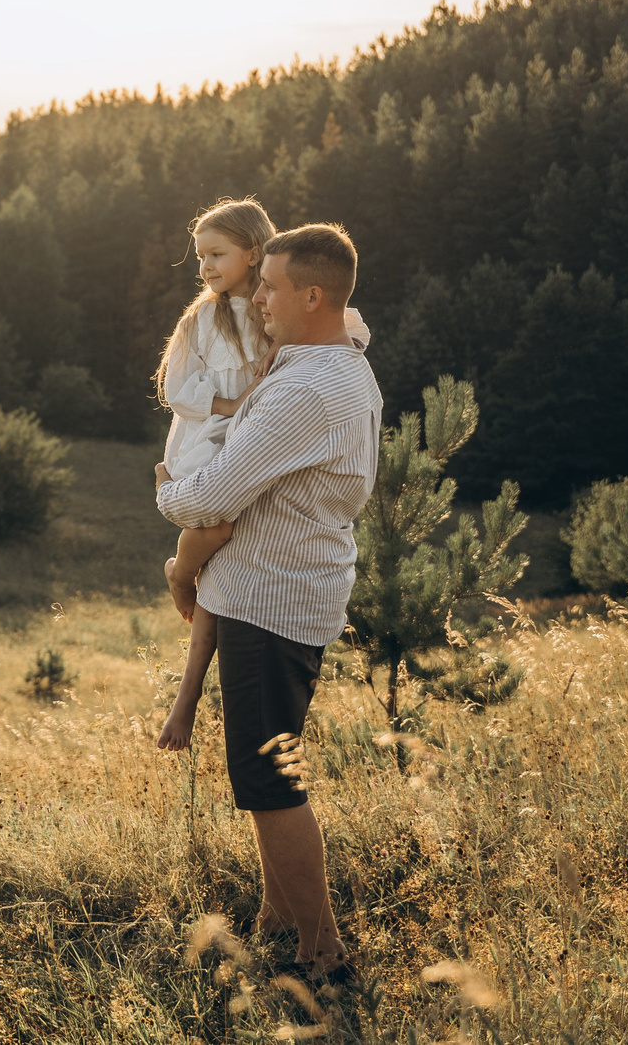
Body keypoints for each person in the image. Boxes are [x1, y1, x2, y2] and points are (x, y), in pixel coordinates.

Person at [153, 223, 381, 983]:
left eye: (271, 286)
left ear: (312, 296)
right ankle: (278, 915)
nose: (256, 297)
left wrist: (166, 492)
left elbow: (214, 494)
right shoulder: (341, 365)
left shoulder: (305, 390)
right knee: (266, 776)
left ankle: (321, 951)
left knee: (270, 786)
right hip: (288, 594)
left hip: (270, 607)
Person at [153, 199, 369, 751]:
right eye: (199, 255)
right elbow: (176, 389)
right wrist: (232, 405)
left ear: (253, 254)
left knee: (216, 545)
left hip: (255, 449)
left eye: (216, 254)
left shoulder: (293, 330)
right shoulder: (204, 319)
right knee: (216, 544)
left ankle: (180, 575)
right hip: (212, 437)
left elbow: (347, 326)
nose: (204, 266)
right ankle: (186, 683)